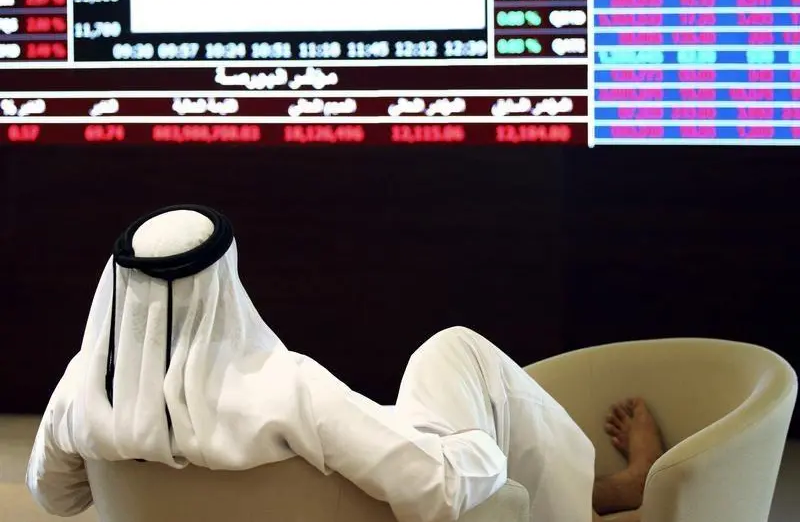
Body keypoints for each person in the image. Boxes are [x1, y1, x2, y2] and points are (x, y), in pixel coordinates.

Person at [27, 205, 664, 522]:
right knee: (459, 352)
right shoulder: (288, 389)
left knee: (437, 364)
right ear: (225, 282)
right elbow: (439, 493)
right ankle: (600, 495)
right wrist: (479, 445)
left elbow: (55, 497)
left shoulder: (81, 392)